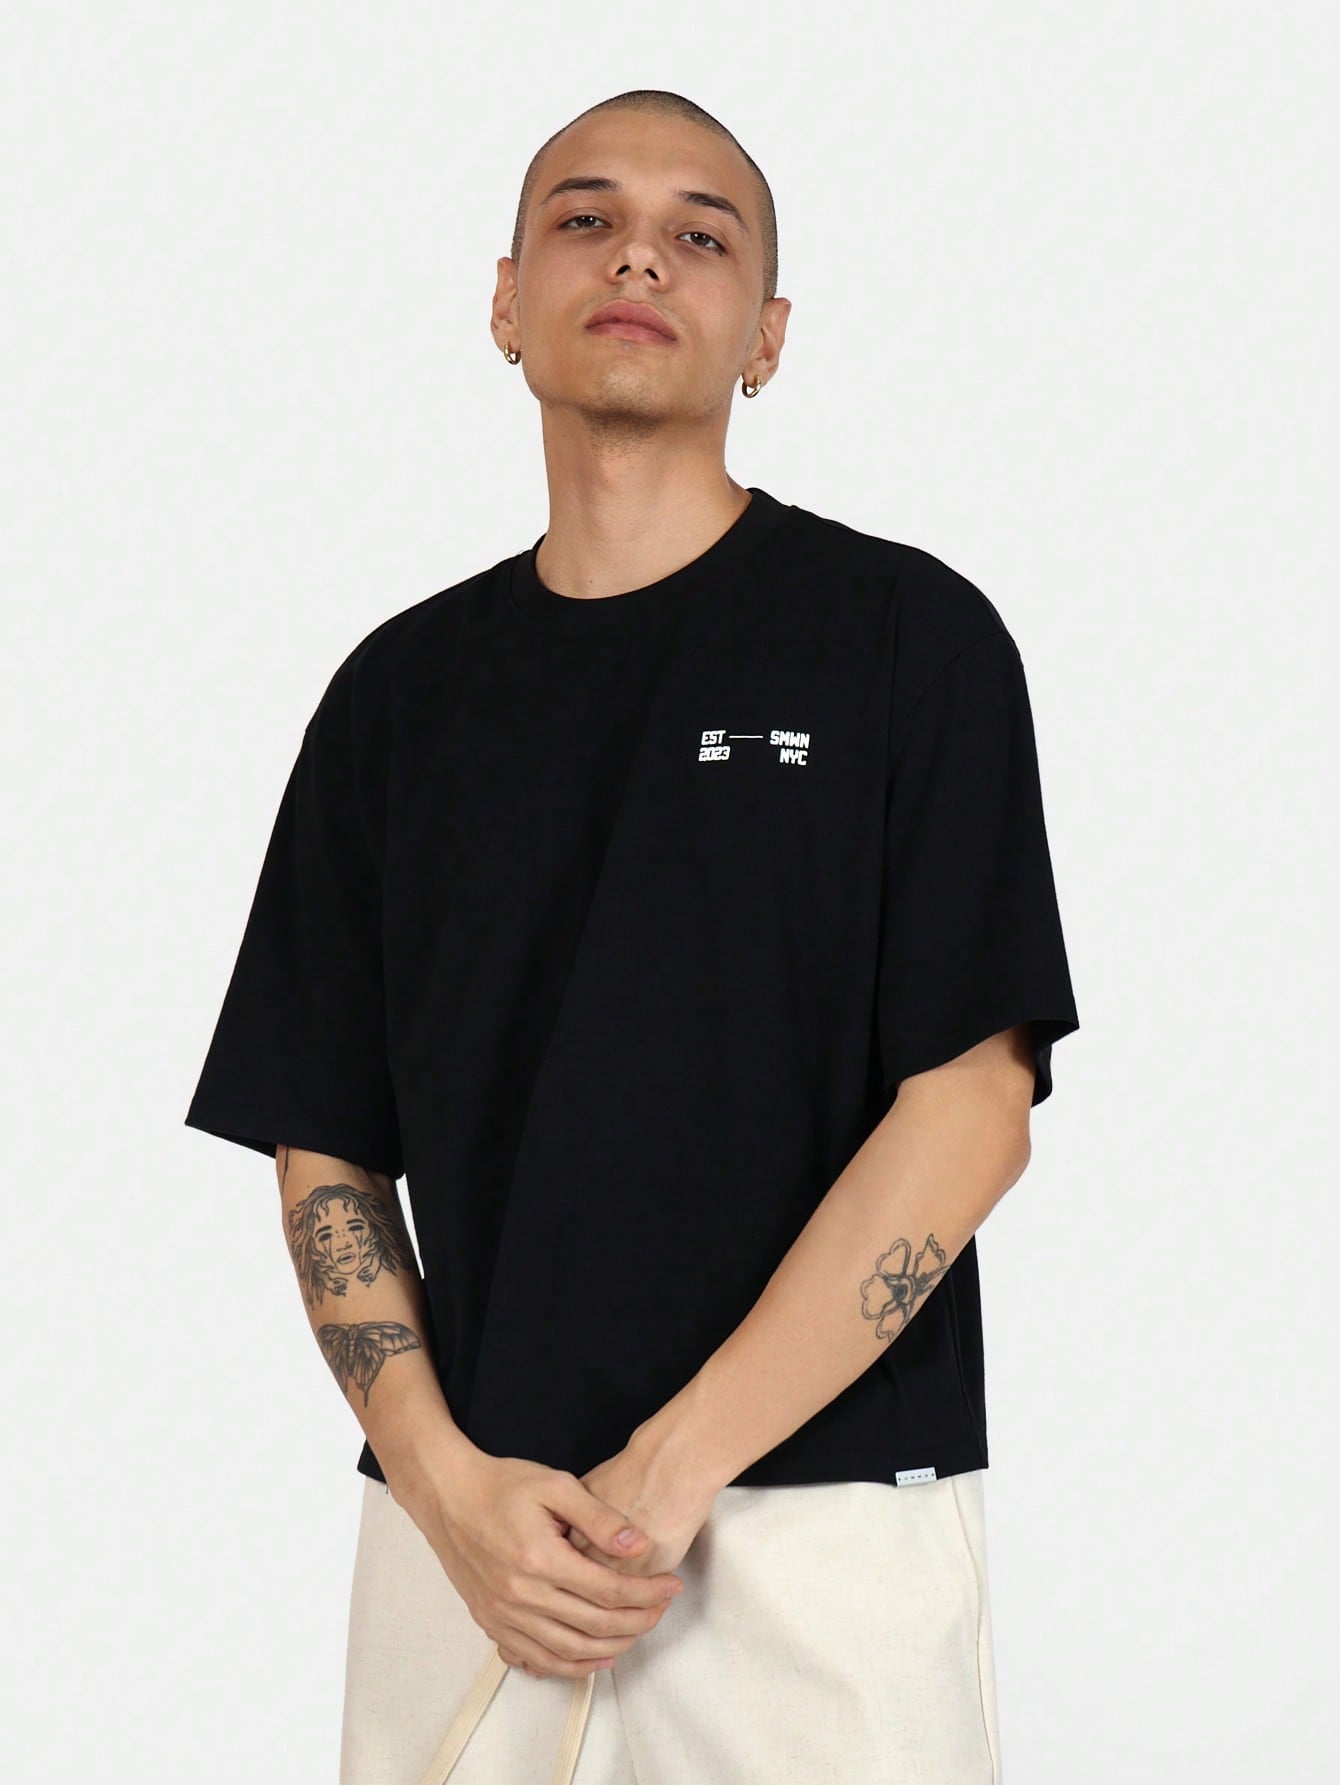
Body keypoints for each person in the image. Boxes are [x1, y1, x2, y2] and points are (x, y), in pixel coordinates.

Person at [183, 87, 1080, 1785]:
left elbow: (973, 1107)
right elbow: (326, 1144)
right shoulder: (396, 698)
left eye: (701, 234)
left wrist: (668, 1475)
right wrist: (445, 1483)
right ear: (506, 299)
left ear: (769, 335)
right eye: (586, 220)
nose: (640, 257)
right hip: (469, 1547)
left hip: (814, 1541)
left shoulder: (908, 640)